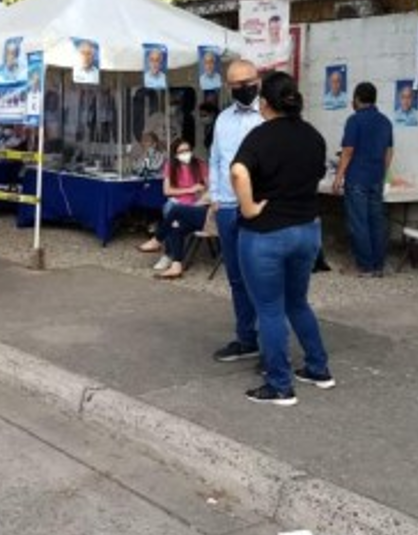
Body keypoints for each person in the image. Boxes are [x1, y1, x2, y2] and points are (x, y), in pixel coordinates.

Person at [231, 71, 332, 405]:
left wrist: (247, 208)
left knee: (270, 309)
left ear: (264, 104)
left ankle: (279, 384)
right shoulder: (314, 136)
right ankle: (318, 368)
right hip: (307, 231)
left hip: (266, 234)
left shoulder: (260, 137)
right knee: (297, 302)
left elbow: (238, 171)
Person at [208, 59, 264, 363]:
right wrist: (215, 198)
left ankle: (269, 343)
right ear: (229, 87)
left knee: (262, 276)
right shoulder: (223, 119)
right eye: (236, 85)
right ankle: (246, 338)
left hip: (259, 208)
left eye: (248, 83)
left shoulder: (267, 117)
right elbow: (216, 159)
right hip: (228, 207)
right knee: (237, 279)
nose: (243, 89)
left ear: (258, 81)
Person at [333, 81, 394, 277]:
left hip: (357, 178)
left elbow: (348, 151)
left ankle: (365, 266)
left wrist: (338, 177)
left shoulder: (354, 120)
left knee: (359, 223)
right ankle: (378, 265)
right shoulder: (385, 121)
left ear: (357, 99)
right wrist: (382, 173)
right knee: (376, 221)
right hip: (376, 178)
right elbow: (389, 152)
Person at [136, 137, 209, 279]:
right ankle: (174, 262)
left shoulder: (200, 165)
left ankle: (159, 242)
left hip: (198, 204)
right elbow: (167, 191)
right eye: (181, 152)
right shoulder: (170, 165)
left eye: (187, 150)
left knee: (174, 211)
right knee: (173, 214)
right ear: (175, 154)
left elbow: (210, 188)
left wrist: (200, 195)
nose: (185, 154)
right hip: (179, 201)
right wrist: (190, 189)